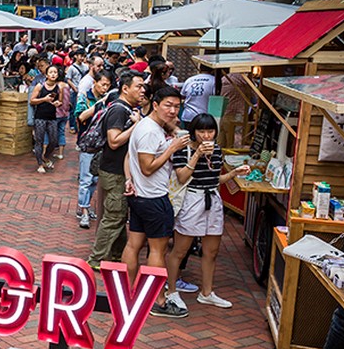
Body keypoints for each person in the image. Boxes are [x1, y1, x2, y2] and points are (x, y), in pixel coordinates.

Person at [162, 113, 250, 315]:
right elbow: (182, 177)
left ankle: (207, 292)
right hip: (192, 200)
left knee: (211, 251)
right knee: (180, 250)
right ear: (193, 132)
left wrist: (234, 174)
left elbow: (215, 179)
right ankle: (172, 290)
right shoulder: (182, 149)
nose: (206, 135)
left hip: (213, 200)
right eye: (201, 131)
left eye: (210, 131)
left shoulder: (217, 151)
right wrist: (197, 154)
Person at [121, 87, 190, 318]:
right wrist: (172, 148)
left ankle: (127, 292)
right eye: (168, 105)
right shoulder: (151, 131)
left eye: (177, 106)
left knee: (133, 245)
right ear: (155, 104)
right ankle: (157, 301)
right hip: (154, 198)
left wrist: (130, 180)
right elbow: (147, 167)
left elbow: (130, 158)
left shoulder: (146, 126)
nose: (172, 110)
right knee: (157, 251)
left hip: (140, 198)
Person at [86, 73, 144, 269]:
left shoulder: (125, 108)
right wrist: (137, 125)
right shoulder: (119, 110)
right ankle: (96, 259)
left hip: (116, 171)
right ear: (125, 89)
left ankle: (118, 255)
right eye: (139, 86)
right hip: (115, 171)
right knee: (114, 216)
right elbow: (114, 141)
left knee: (118, 215)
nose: (142, 90)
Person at [75, 71, 114, 230]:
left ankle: (87, 206)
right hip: (88, 144)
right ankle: (83, 210)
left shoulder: (110, 101)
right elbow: (80, 117)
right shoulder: (85, 97)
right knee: (86, 178)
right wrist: (100, 105)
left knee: (95, 180)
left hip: (102, 145)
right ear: (95, 83)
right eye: (103, 84)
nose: (105, 88)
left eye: (108, 85)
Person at [29, 65, 63, 173]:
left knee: (53, 140)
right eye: (51, 72)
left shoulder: (59, 88)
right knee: (39, 141)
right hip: (40, 116)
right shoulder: (40, 86)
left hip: (52, 117)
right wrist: (44, 99)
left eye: (55, 72)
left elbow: (60, 101)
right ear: (47, 75)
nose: (53, 74)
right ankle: (40, 163)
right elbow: (32, 100)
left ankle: (45, 157)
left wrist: (58, 103)